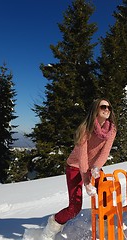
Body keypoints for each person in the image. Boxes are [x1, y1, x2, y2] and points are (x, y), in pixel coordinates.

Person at [41, 98, 117, 240]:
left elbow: (105, 152)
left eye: (109, 107)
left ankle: (104, 228)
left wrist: (96, 168)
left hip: (92, 167)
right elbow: (82, 158)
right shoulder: (85, 129)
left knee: (105, 195)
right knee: (74, 208)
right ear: (96, 109)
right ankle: (50, 229)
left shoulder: (111, 129)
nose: (107, 110)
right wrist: (87, 181)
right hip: (75, 167)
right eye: (103, 107)